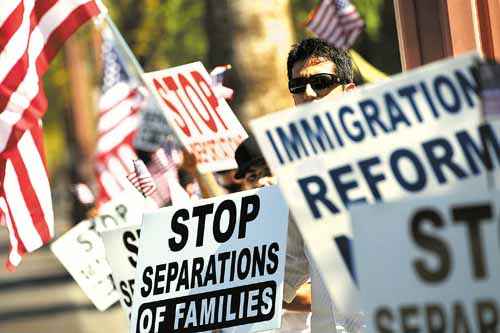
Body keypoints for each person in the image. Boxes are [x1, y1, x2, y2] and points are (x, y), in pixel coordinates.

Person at [284, 38, 363, 333]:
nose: (308, 93)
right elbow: (284, 273)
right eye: (298, 86)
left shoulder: (394, 162)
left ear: (349, 92)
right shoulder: (295, 179)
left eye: (322, 82)